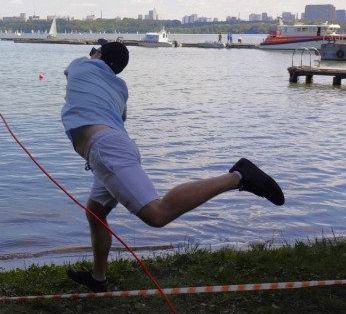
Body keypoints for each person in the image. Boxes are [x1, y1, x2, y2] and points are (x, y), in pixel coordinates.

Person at [61, 39, 285, 293]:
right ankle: (98, 278)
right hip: (113, 147)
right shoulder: (120, 87)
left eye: (95, 50)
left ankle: (239, 176)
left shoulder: (81, 65)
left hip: (106, 150)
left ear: (98, 55)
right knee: (95, 213)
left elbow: (78, 74)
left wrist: (94, 59)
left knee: (158, 214)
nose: (90, 53)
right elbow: (121, 116)